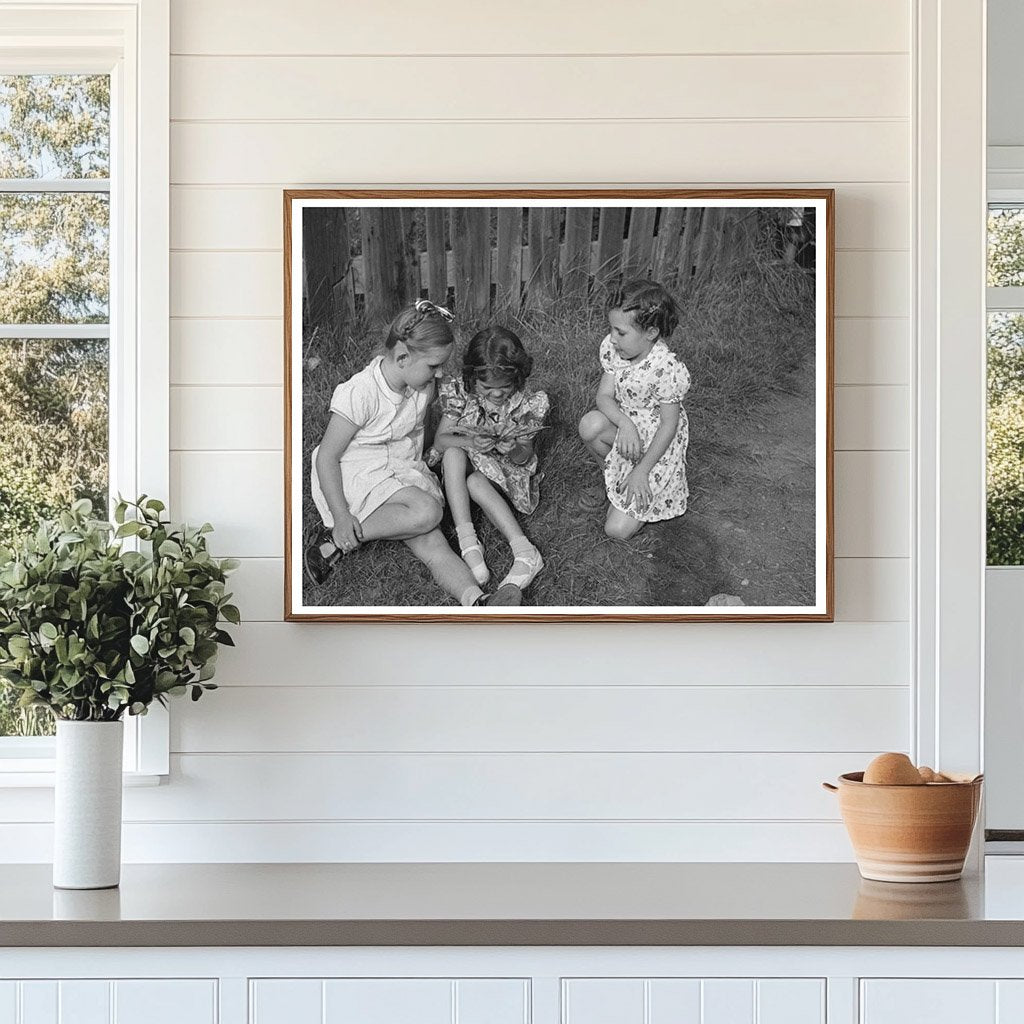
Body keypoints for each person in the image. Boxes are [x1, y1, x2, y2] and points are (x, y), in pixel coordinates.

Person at [305, 299, 520, 607]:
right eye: (433, 366)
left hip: (399, 471)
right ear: (403, 357)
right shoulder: (361, 392)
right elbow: (327, 457)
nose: (439, 374)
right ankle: (339, 538)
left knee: (432, 539)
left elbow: (421, 432)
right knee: (428, 512)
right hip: (357, 474)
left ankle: (477, 601)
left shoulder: (422, 388)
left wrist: (458, 442)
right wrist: (341, 516)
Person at [430, 325, 549, 594]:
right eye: (487, 387)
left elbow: (524, 456)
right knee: (452, 453)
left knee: (474, 482)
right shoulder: (461, 393)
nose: (496, 394)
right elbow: (441, 440)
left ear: (517, 378)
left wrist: (512, 450)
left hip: (505, 473)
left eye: (504, 386)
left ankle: (524, 550)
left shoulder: (527, 403)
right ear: (472, 378)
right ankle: (468, 542)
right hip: (468, 459)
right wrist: (471, 442)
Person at [577, 279, 691, 539]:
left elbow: (668, 426)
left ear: (650, 333)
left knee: (615, 530)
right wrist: (625, 423)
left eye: (621, 332)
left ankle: (636, 483)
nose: (612, 338)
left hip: (656, 447)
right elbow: (604, 396)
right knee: (590, 425)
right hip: (628, 431)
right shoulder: (615, 350)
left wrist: (642, 470)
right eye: (612, 329)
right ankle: (612, 482)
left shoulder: (665, 368)